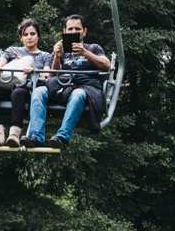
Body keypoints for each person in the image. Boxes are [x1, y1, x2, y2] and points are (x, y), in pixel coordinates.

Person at [22, 14, 111, 149]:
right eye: (70, 29)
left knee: (77, 94)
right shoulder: (62, 50)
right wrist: (57, 57)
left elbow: (107, 65)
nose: (73, 32)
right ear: (64, 31)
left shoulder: (93, 48)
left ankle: (62, 137)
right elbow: (53, 75)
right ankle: (36, 136)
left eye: (77, 29)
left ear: (84, 31)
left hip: (85, 86)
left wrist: (85, 53)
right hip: (63, 85)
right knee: (39, 91)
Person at [0, 18, 51, 147]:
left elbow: (47, 74)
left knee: (17, 93)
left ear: (38, 36)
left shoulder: (45, 56)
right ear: (21, 38)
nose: (29, 37)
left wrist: (34, 71)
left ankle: (14, 133)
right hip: (8, 85)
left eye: (32, 34)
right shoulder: (12, 51)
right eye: (25, 34)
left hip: (27, 87)